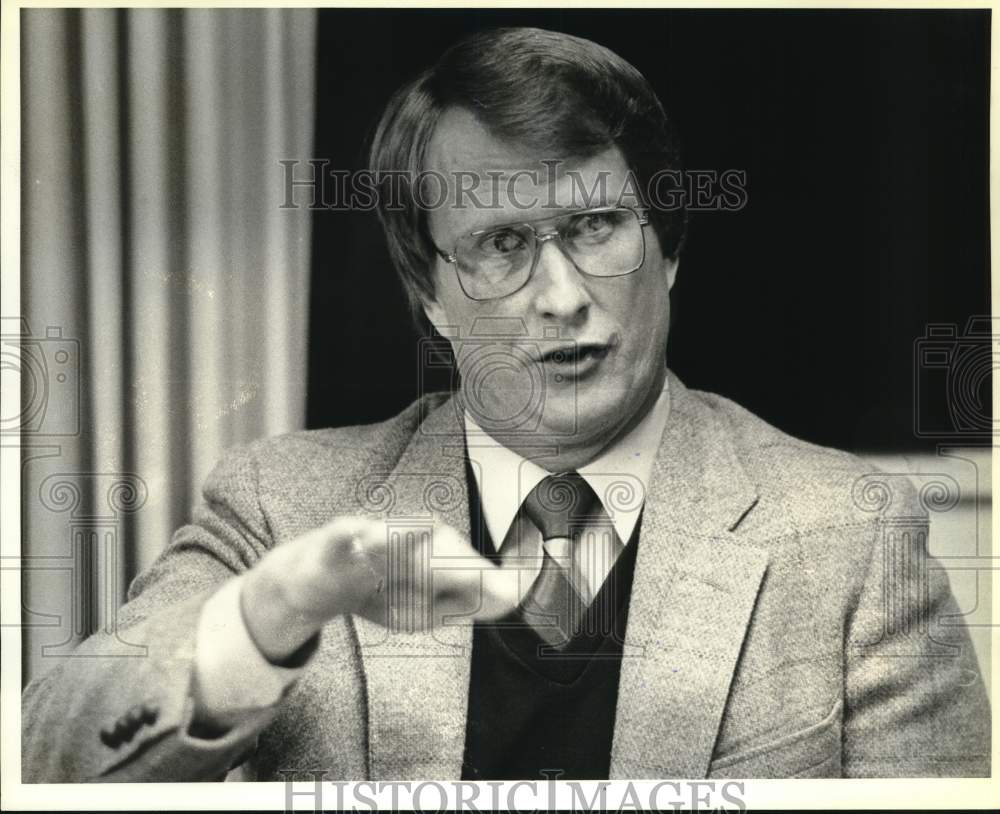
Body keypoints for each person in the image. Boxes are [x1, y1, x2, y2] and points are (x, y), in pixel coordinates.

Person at [22, 26, 989, 782]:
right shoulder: (283, 505)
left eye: (597, 225)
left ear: (670, 246)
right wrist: (280, 606)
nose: (562, 295)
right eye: (501, 246)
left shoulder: (850, 536)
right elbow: (55, 761)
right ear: (431, 298)